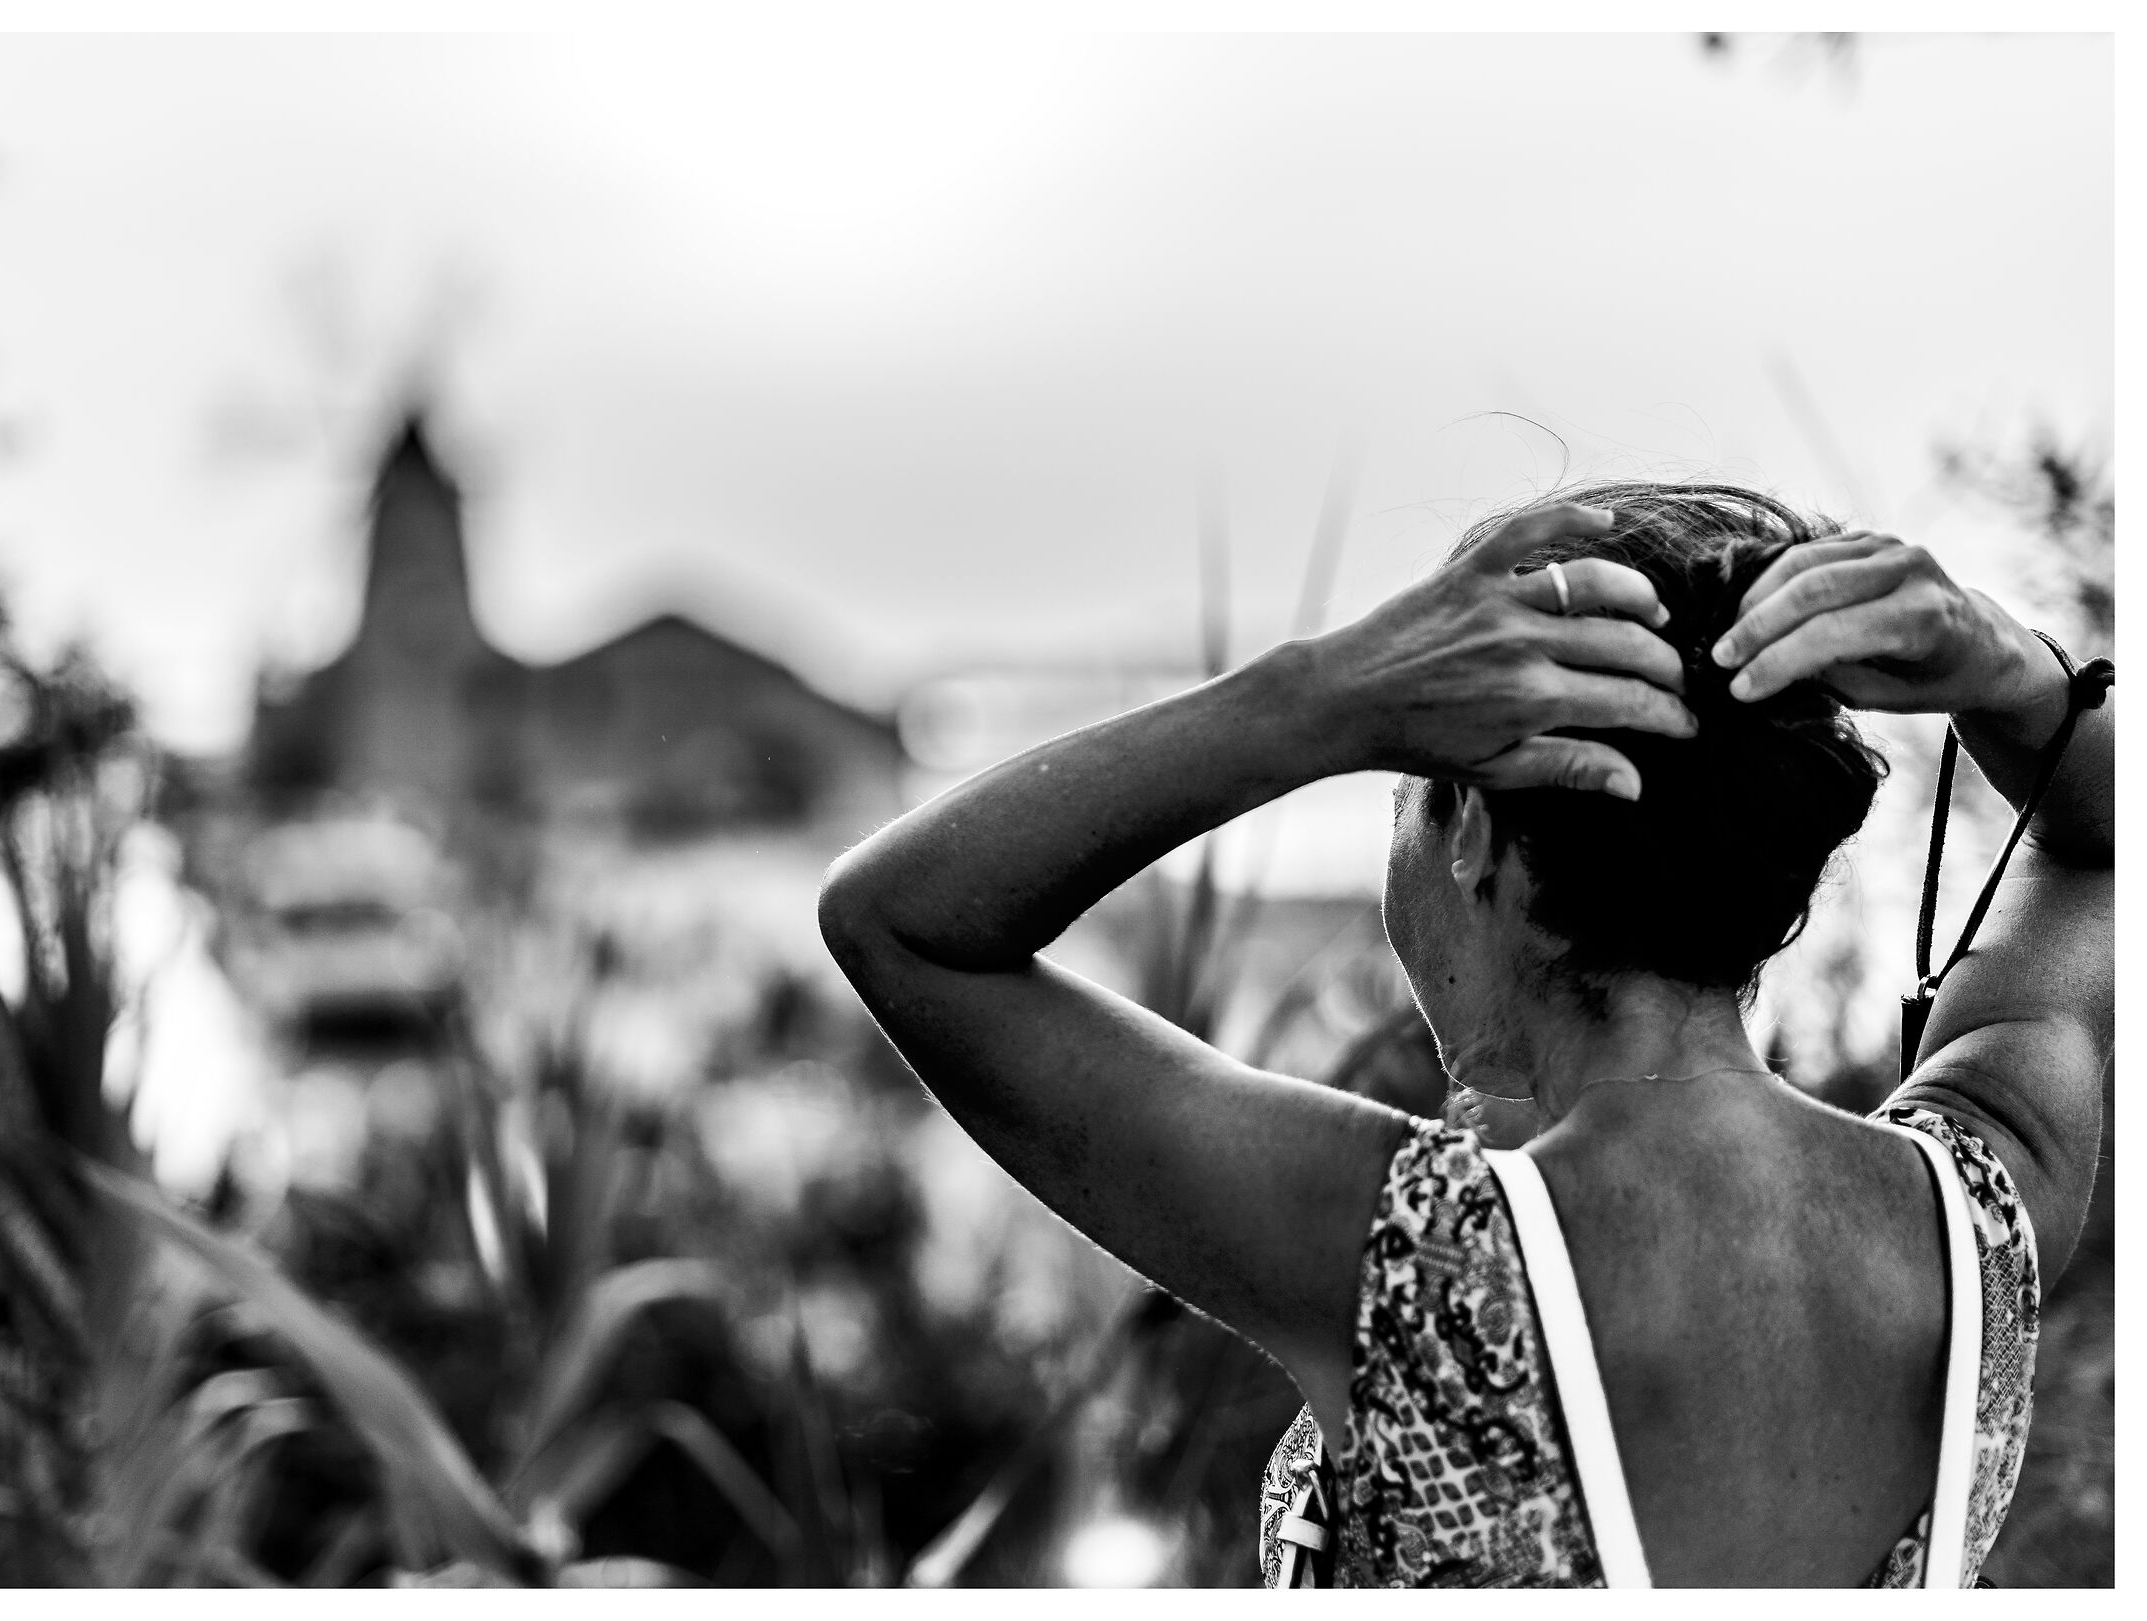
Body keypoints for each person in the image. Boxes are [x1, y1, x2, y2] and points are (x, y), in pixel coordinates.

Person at [817, 483, 2113, 1587]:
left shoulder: (1412, 1254)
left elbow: (901, 923)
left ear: (1476, 836)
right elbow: (2106, 850)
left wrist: (1318, 694)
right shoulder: (1978, 1217)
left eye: (1408, 789)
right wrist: (2009, 671)